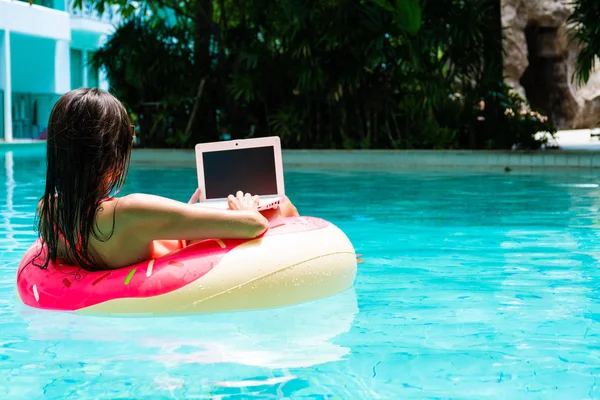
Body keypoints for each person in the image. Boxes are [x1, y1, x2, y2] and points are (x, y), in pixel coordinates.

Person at [36, 88, 299, 272]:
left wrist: (183, 213)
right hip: (185, 261)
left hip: (162, 239)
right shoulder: (129, 211)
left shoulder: (49, 210)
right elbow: (252, 225)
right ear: (111, 156)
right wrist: (245, 210)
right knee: (281, 205)